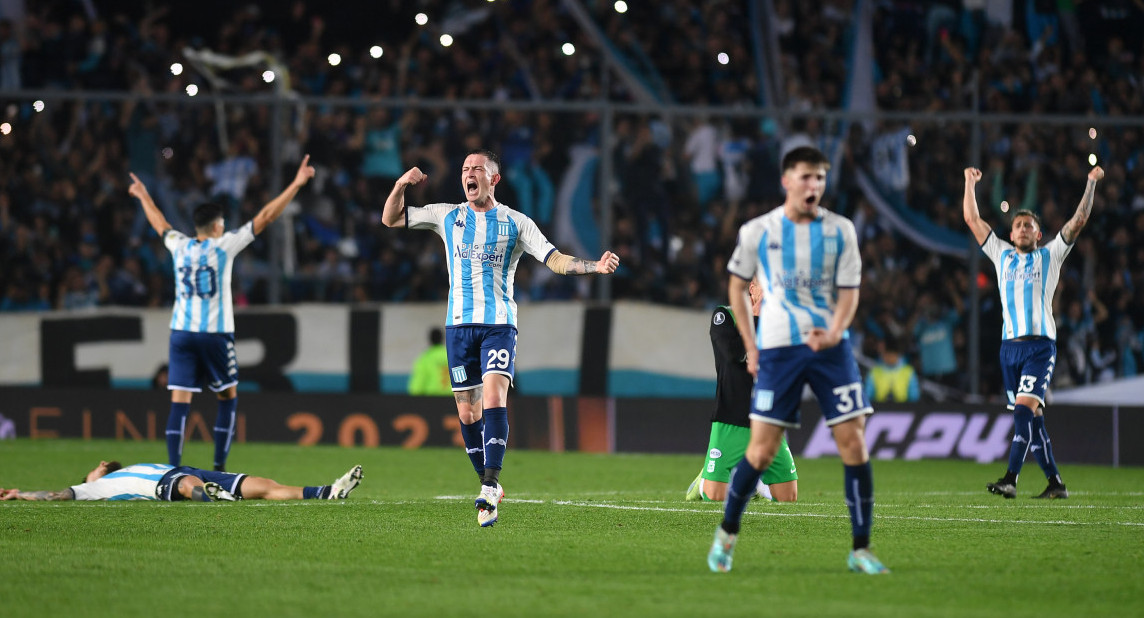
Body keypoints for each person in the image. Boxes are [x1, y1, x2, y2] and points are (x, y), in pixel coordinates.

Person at [382, 149, 619, 527]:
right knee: (466, 410)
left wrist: (593, 266)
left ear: (495, 179)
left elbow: (554, 259)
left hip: (499, 325)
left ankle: (490, 485)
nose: (468, 174)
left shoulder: (516, 222)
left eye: (477, 168)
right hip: (459, 326)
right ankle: (488, 481)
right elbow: (391, 217)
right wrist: (400, 185)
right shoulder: (448, 215)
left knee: (493, 396)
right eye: (464, 169)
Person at [707, 146, 888, 575]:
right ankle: (727, 535)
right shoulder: (758, 231)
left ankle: (860, 548)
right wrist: (750, 346)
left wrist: (837, 329)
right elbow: (737, 289)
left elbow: (850, 292)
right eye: (806, 177)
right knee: (763, 448)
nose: (814, 186)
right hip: (779, 348)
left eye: (820, 178)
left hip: (829, 348)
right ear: (787, 181)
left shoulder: (841, 231)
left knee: (854, 441)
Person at [128, 155, 316, 472]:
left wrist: (145, 195)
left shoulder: (179, 245)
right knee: (227, 398)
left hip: (182, 333)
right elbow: (266, 216)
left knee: (180, 402)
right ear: (217, 226)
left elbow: (159, 223)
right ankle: (218, 468)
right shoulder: (224, 245)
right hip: (215, 334)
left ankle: (173, 469)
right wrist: (296, 184)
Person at [962, 164, 1104, 500]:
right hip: (1008, 349)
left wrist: (1090, 183)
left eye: (1029, 225)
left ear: (1039, 235)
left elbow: (1078, 221)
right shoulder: (1001, 255)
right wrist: (969, 184)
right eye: (1018, 225)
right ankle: (1055, 483)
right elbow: (972, 219)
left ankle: (1011, 478)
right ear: (1011, 235)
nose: (1023, 228)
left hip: (1040, 348)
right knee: (1035, 419)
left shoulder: (1050, 255)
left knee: (1024, 412)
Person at [685, 278, 799, 503]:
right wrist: (757, 316)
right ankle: (703, 481)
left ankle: (755, 485)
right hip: (731, 417)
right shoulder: (725, 316)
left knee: (788, 498)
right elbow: (734, 352)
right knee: (715, 497)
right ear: (752, 288)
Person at [0, 461, 362, 502]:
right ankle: (215, 498)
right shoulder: (91, 489)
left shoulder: (120, 470)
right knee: (188, 486)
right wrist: (18, 494)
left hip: (188, 470)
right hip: (167, 482)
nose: (99, 466)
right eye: (96, 467)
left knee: (265, 483)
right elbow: (57, 495)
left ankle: (328, 492)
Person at [864, 334, 921, 403]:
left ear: (897, 354)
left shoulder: (908, 371)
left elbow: (914, 397)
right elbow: (867, 396)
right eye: (884, 355)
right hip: (879, 411)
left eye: (890, 355)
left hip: (904, 411)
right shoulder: (874, 371)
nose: (887, 358)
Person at [408, 327, 452, 396]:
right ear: (442, 339)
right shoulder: (450, 355)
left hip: (431, 400)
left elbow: (417, 385)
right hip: (451, 399)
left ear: (430, 339)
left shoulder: (425, 358)